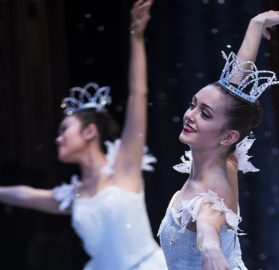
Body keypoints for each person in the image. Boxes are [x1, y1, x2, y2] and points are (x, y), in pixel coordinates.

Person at [0, 0, 167, 269]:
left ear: (90, 132)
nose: (58, 139)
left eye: (64, 130)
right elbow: (23, 194)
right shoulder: (72, 196)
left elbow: (139, 94)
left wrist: (136, 36)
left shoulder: (125, 167)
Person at [157, 10, 279, 270]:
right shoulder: (226, 156)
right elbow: (235, 81)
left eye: (205, 114)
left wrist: (211, 248)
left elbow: (208, 223)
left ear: (228, 136)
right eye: (193, 104)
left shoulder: (210, 192)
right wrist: (255, 25)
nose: (190, 115)